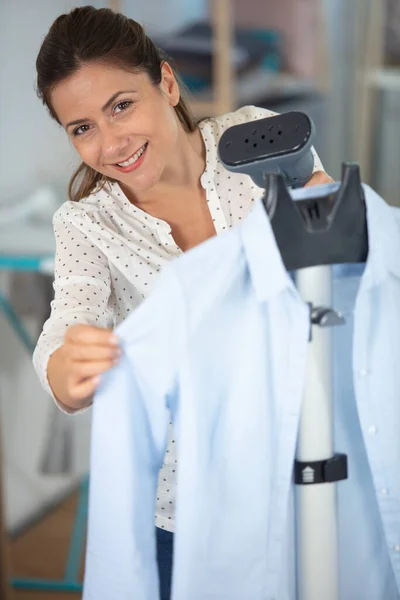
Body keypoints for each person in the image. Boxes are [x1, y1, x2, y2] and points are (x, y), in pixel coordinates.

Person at [32, 5, 333, 598]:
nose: (111, 143)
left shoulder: (255, 142)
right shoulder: (88, 227)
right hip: (183, 509)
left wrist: (326, 213)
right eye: (82, 128)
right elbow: (67, 327)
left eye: (121, 105)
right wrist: (70, 368)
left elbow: (329, 261)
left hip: (306, 470)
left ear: (166, 83)